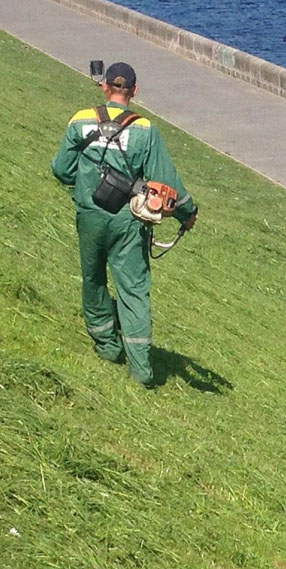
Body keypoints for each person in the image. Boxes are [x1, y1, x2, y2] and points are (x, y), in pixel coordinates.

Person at [50, 62, 197, 386]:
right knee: (133, 291)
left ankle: (106, 345)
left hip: (89, 215)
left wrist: (86, 185)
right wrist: (188, 215)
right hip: (129, 222)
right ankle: (142, 372)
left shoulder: (80, 119)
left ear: (104, 87)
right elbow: (168, 182)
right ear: (134, 91)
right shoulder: (145, 130)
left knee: (93, 279)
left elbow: (61, 170)